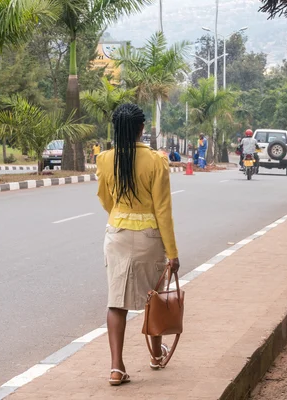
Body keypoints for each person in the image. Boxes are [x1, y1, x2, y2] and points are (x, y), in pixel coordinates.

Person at [96, 103, 180, 386]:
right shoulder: (156, 161)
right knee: (152, 297)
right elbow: (163, 211)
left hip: (117, 234)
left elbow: (105, 199)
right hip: (149, 237)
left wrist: (120, 215)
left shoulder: (106, 159)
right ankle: (156, 355)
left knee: (116, 302)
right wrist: (173, 252)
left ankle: (116, 368)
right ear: (142, 128)